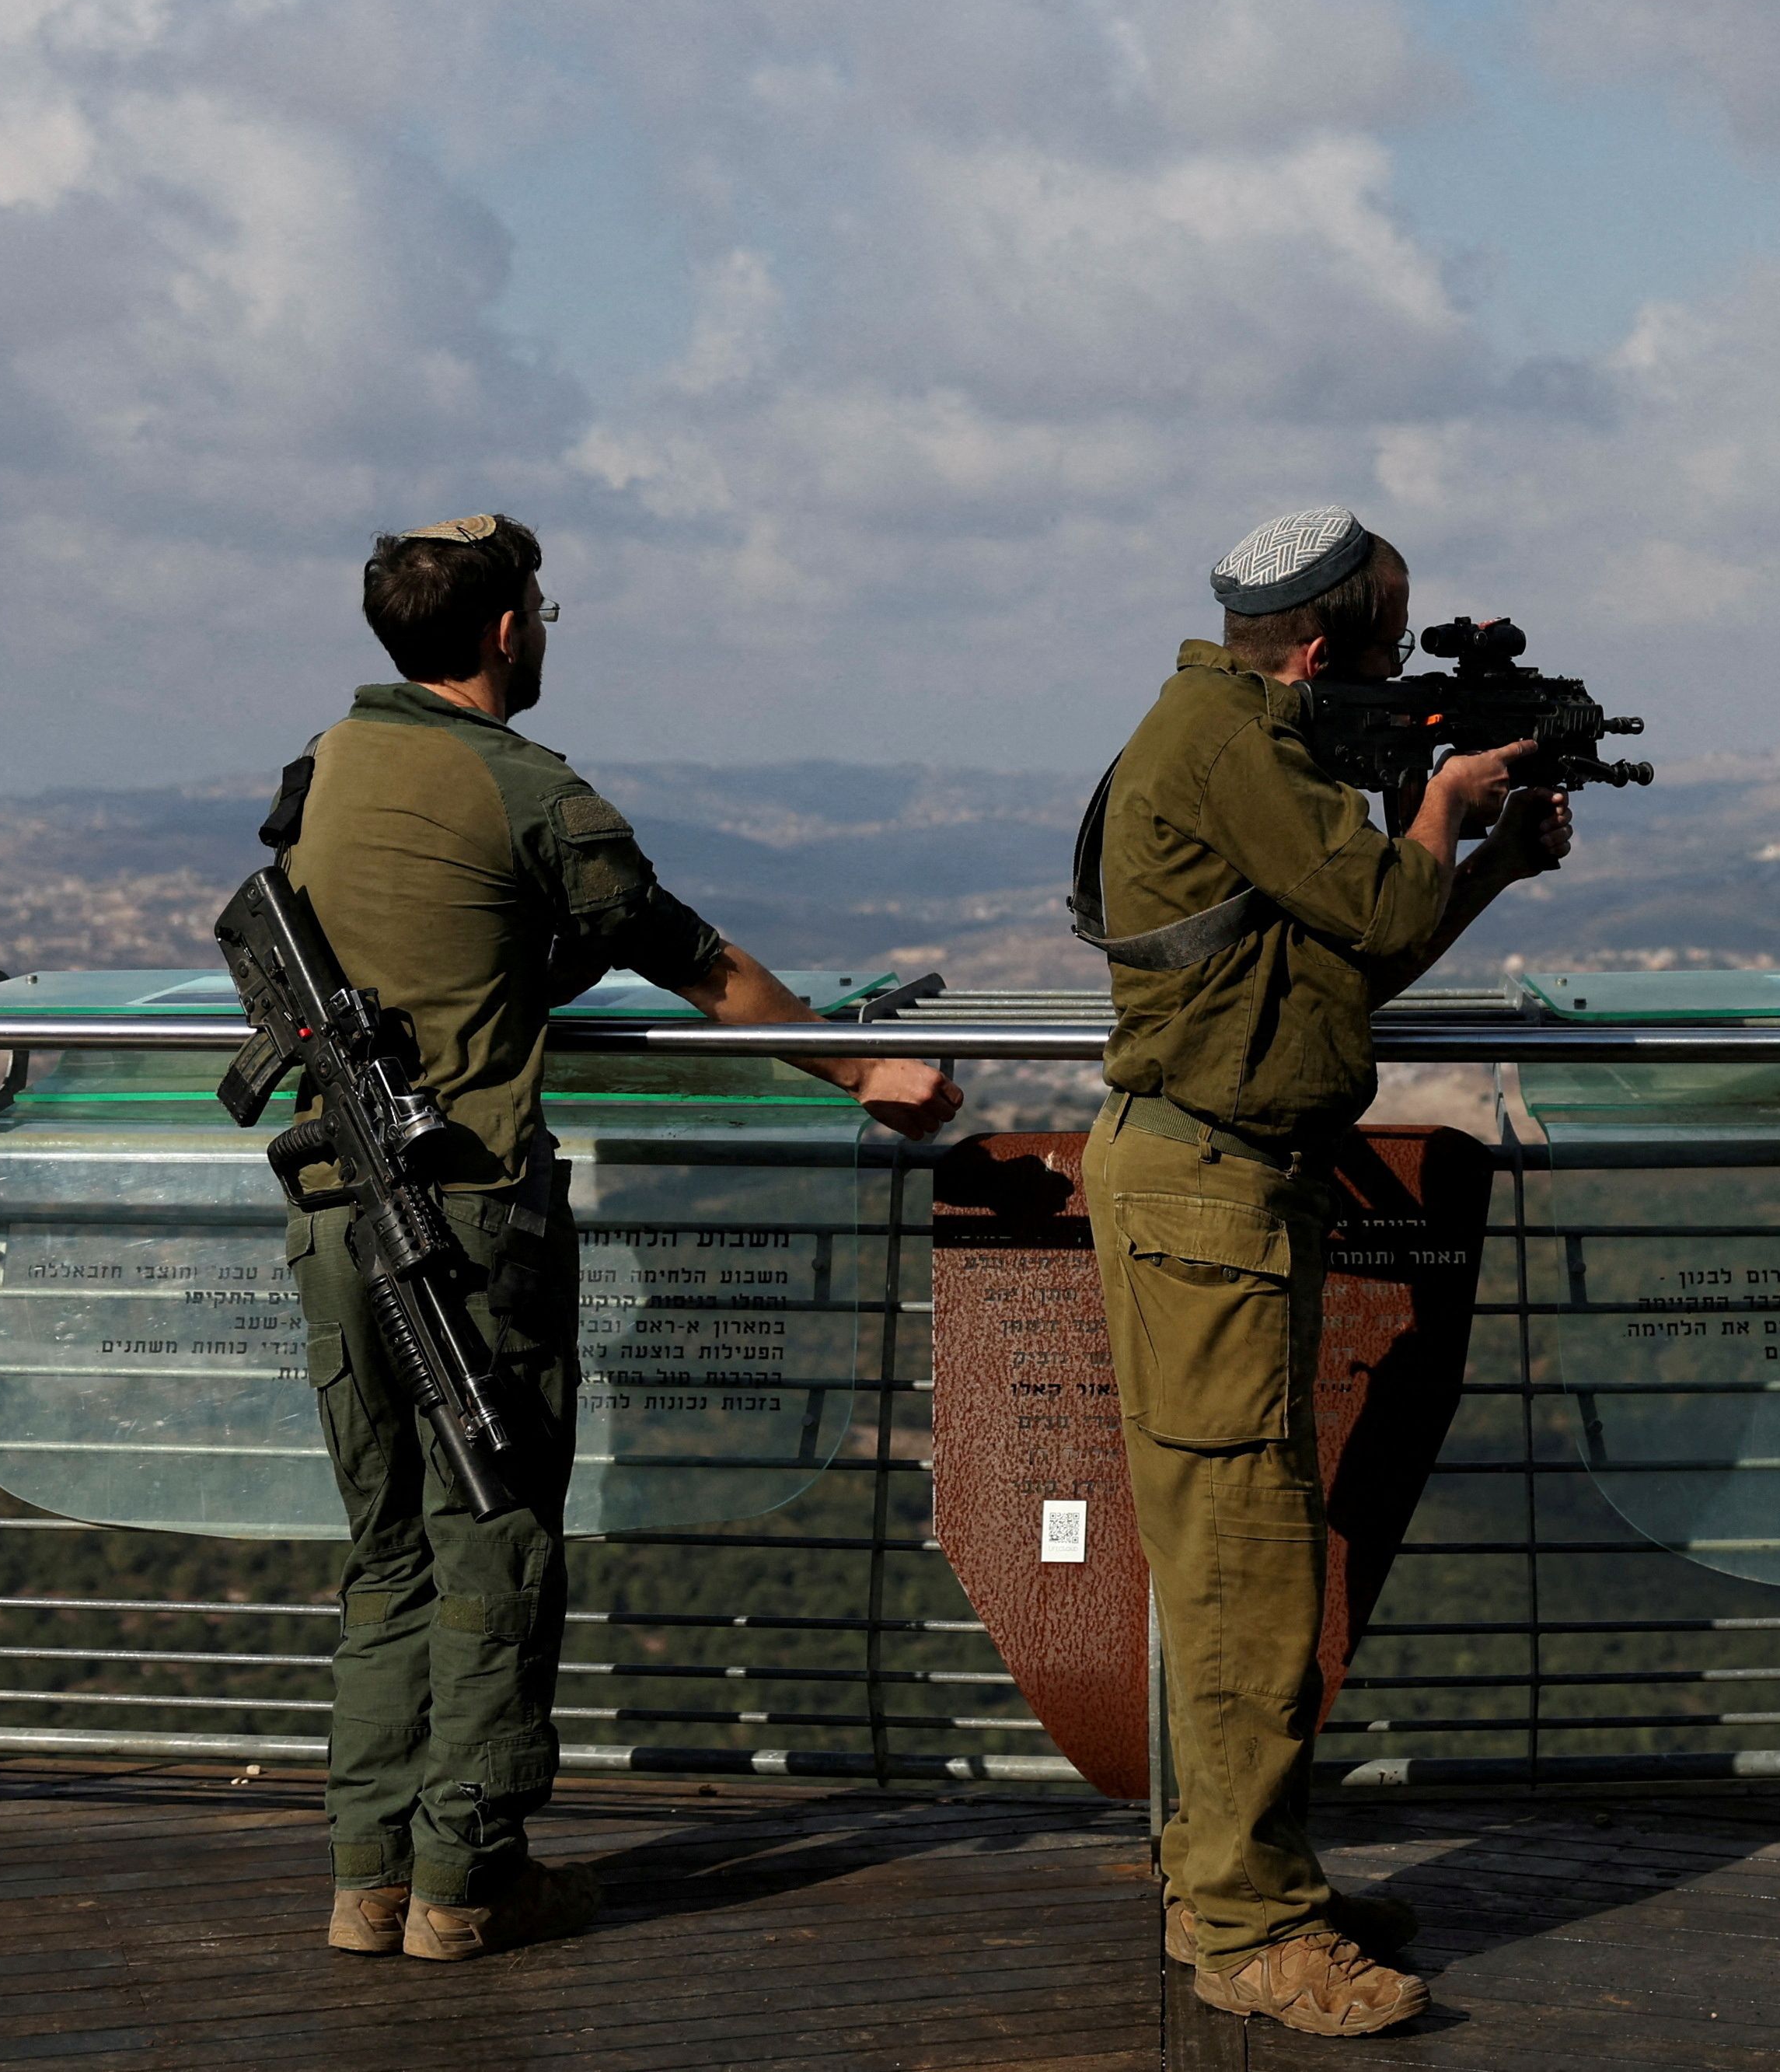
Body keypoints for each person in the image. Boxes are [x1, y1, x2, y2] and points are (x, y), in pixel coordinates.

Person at [274, 514, 959, 1962]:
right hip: (463, 1220)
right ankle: (467, 1879)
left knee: (389, 1553)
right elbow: (698, 962)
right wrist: (863, 1070)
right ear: (506, 631)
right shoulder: (528, 788)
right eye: (540, 608)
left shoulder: (327, 766)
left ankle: (366, 1878)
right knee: (495, 1543)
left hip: (332, 1205)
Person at [1084, 505, 1573, 2040]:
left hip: (1229, 1185)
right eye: (1384, 650)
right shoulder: (1233, 744)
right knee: (1249, 1570)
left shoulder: (1240, 737)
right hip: (1205, 1190)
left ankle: (1232, 1877)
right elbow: (1379, 901)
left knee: (1242, 1558)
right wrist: (1444, 802)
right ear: (1313, 653)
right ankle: (1250, 1930)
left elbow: (1357, 960)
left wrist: (1486, 860)